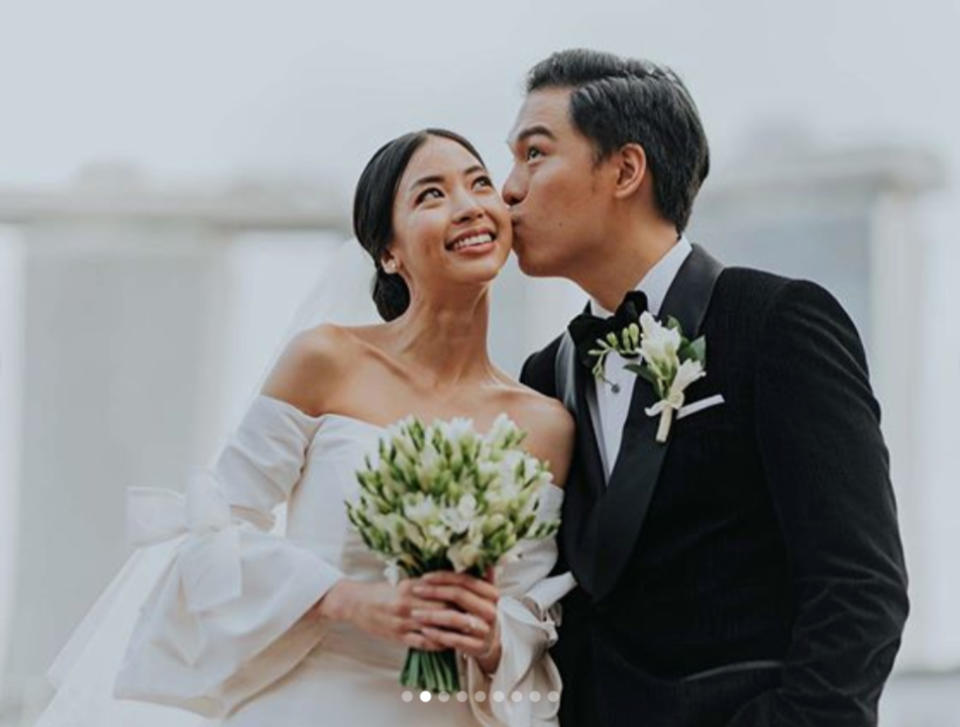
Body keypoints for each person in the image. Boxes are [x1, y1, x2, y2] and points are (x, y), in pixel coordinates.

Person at [37, 128, 575, 727]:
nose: (470, 205)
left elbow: (534, 611)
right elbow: (213, 532)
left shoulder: (545, 423)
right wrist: (346, 599)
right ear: (388, 254)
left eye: (479, 184)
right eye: (431, 195)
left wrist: (489, 634)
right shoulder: (327, 361)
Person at [509, 49, 909, 727]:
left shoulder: (777, 322)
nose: (507, 188)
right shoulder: (546, 374)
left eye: (535, 155)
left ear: (626, 169)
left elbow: (860, 587)